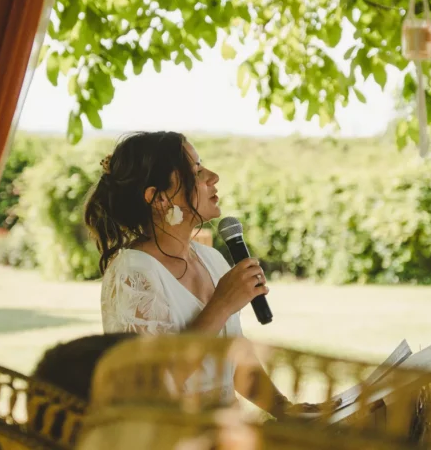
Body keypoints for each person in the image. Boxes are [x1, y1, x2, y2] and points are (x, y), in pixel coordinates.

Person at [83, 131, 313, 416]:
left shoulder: (211, 258)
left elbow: (235, 362)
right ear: (158, 199)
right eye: (196, 170)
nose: (213, 176)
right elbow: (149, 388)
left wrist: (285, 410)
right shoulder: (133, 273)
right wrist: (222, 305)